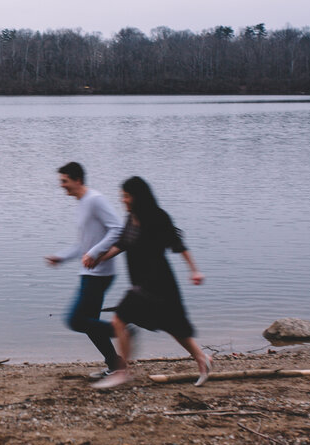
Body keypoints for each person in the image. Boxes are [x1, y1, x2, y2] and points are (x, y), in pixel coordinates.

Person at [89, 176, 212, 389]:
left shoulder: (157, 217)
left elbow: (178, 244)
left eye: (126, 196)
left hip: (157, 282)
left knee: (119, 320)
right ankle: (203, 360)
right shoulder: (131, 217)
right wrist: (99, 258)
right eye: (122, 196)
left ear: (138, 196)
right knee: (173, 326)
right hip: (142, 282)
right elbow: (122, 244)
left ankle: (122, 372)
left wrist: (195, 271)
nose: (123, 200)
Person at [45, 162, 124, 378]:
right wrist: (61, 257)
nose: (62, 186)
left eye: (65, 181)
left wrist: (96, 253)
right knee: (91, 324)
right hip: (89, 272)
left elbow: (117, 228)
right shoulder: (81, 204)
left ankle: (122, 331)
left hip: (99, 273)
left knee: (76, 320)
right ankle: (116, 366)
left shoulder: (95, 200)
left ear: (77, 180)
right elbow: (83, 245)